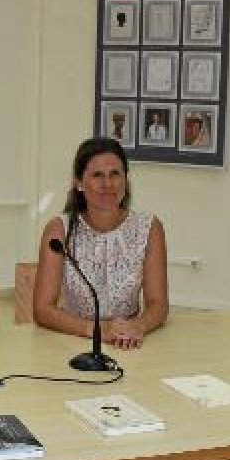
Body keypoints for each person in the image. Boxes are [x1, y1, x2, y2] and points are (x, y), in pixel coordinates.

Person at [34, 137, 169, 351]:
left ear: (126, 179)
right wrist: (97, 330)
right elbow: (42, 310)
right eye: (98, 175)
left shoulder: (149, 228)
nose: (108, 184)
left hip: (128, 344)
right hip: (73, 341)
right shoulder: (59, 229)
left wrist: (139, 326)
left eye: (115, 173)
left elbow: (158, 304)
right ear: (78, 182)